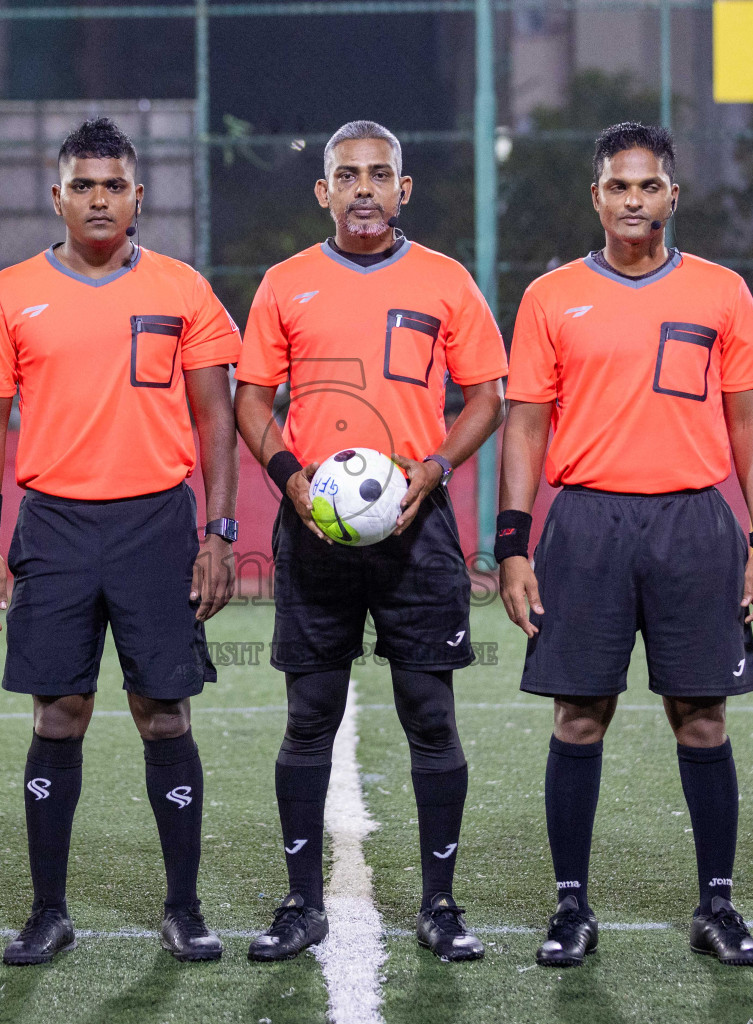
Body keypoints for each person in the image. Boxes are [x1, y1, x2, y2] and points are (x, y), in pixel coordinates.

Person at [498, 122, 753, 968]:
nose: (633, 200)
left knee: (702, 716)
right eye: (618, 187)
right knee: (579, 714)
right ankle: (571, 909)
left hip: (696, 523)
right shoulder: (550, 297)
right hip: (585, 523)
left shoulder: (722, 293)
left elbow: (751, 425)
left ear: (671, 196)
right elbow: (525, 428)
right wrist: (514, 544)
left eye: (648, 186)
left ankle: (718, 907)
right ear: (597, 197)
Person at [0, 117, 240, 966]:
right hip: (54, 525)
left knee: (164, 713)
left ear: (138, 197)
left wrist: (219, 531)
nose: (98, 198)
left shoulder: (184, 288)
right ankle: (49, 911)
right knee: (61, 712)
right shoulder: (11, 293)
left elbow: (216, 416)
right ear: (57, 197)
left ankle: (183, 908)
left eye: (113, 184)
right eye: (82, 185)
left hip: (157, 523)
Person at [234, 120, 507, 963]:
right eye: (346, 175)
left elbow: (488, 397)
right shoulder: (285, 284)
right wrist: (290, 478)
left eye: (378, 175)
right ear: (322, 191)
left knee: (431, 714)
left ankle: (440, 904)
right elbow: (251, 401)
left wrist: (433, 467)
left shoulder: (446, 281)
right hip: (313, 527)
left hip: (417, 529)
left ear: (403, 189)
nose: (363, 189)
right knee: (308, 717)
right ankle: (300, 902)